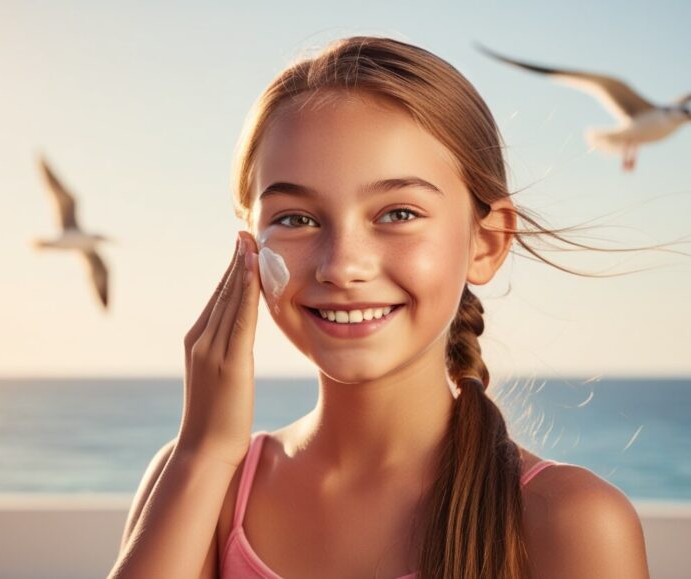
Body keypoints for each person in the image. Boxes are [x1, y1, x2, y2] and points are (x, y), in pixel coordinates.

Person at [109, 36, 650, 579]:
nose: (342, 266)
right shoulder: (204, 484)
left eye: (397, 214)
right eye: (296, 219)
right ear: (248, 246)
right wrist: (203, 453)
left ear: (486, 243)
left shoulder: (569, 521)